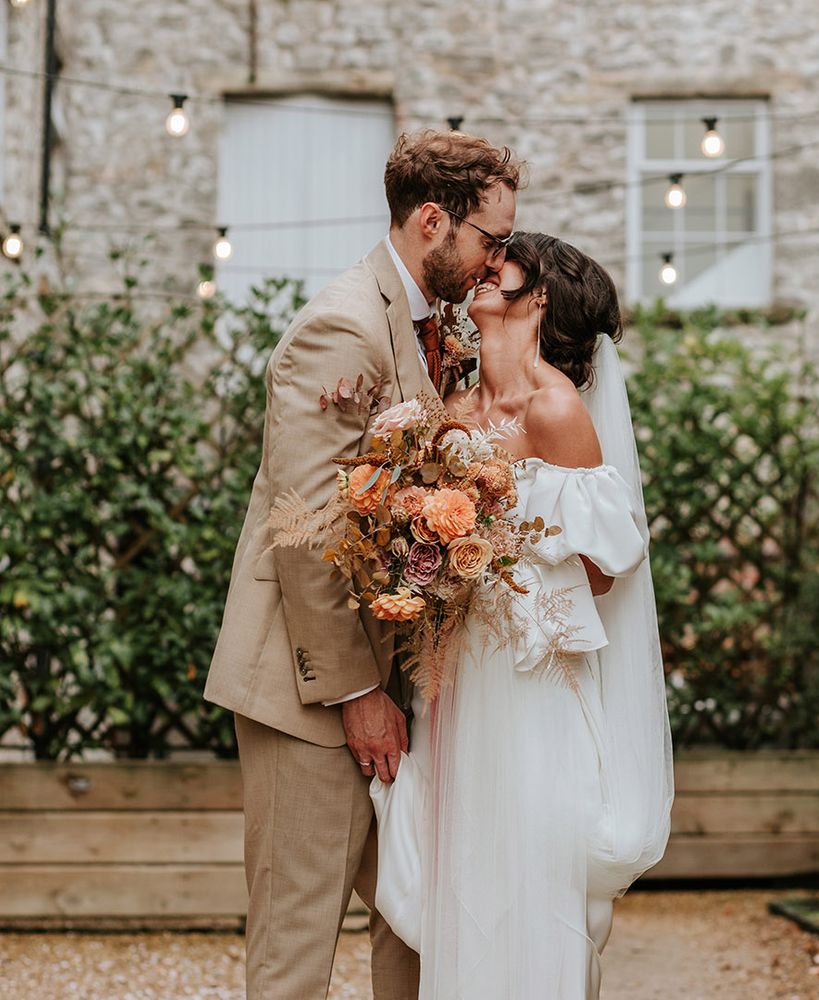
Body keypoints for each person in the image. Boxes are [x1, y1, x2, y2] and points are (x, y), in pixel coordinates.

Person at [204, 130, 521, 1000]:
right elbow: (303, 531)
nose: (497, 261)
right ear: (432, 221)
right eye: (489, 240)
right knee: (297, 949)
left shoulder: (431, 326)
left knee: (416, 926)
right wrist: (358, 695)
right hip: (313, 693)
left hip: (403, 688)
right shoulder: (342, 326)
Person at [370, 233, 675, 999]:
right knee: (463, 871)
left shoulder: (556, 409)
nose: (483, 267)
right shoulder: (454, 404)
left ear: (537, 295)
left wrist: (504, 554)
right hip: (455, 671)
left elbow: (605, 573)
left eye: (501, 264)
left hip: (531, 676)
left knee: (531, 872)